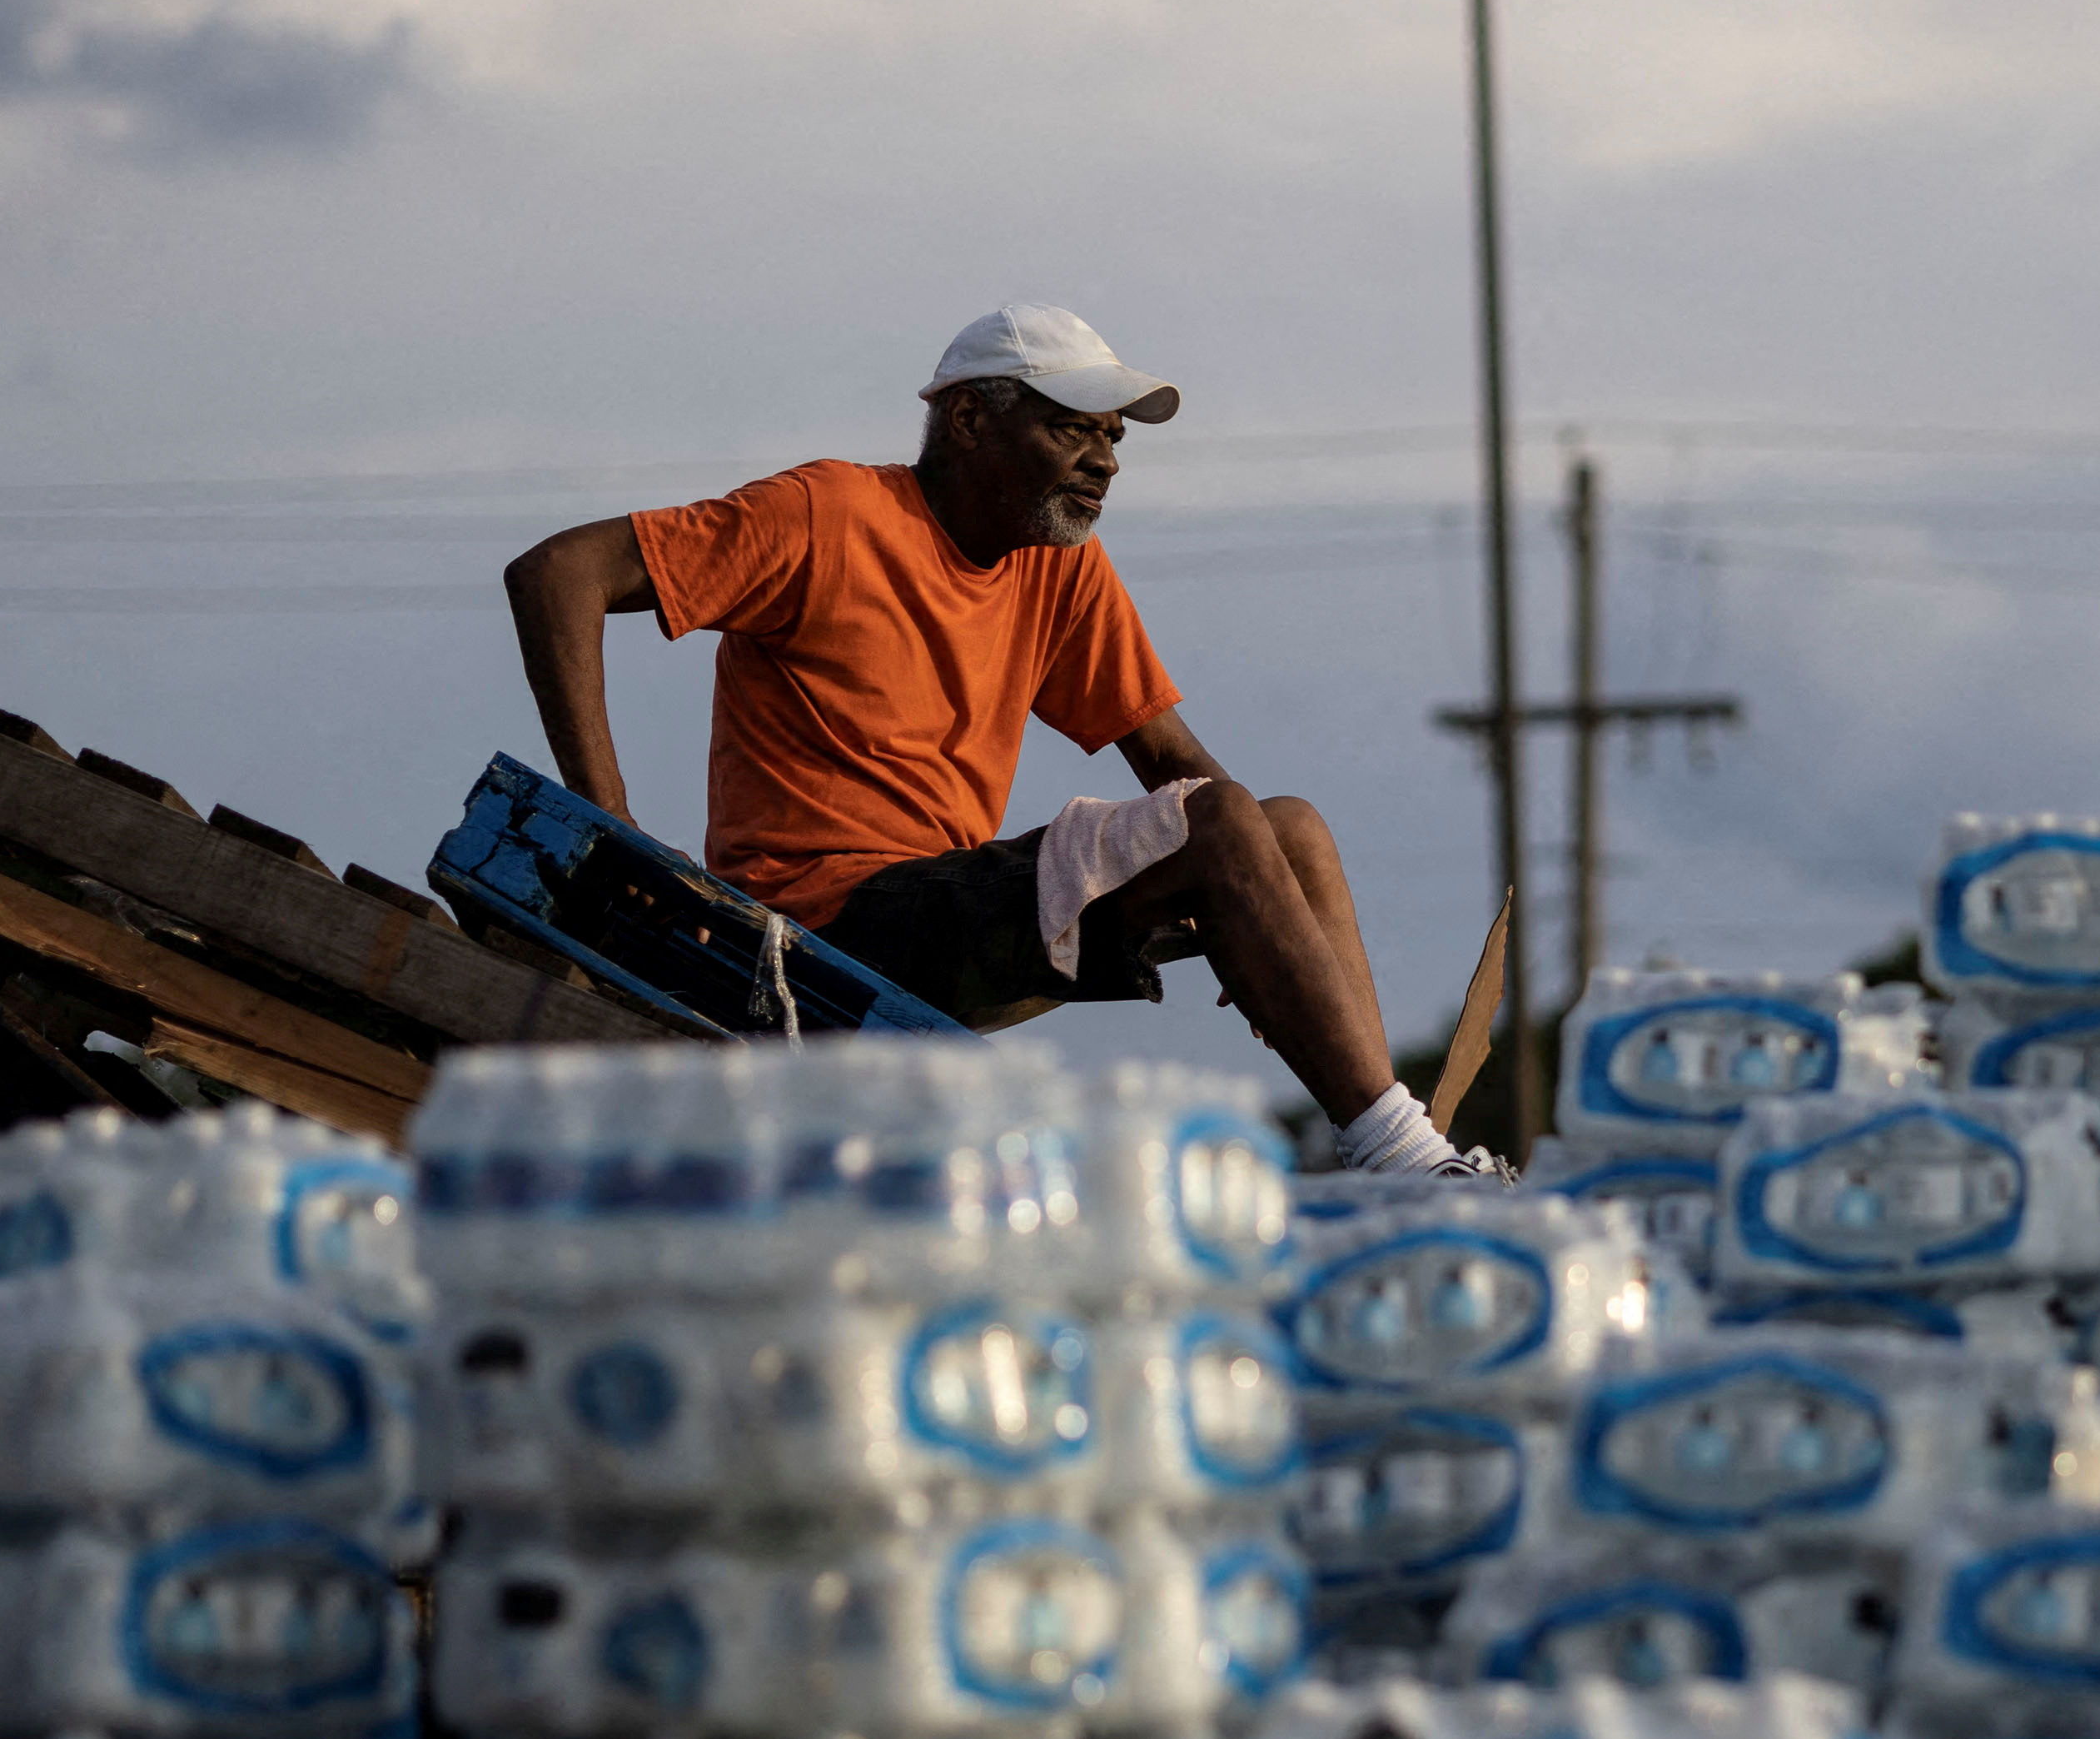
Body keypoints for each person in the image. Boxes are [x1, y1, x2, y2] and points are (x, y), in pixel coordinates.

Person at [500, 299, 1492, 1178]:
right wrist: (609, 822)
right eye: (1072, 430)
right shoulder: (828, 514)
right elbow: (557, 573)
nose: (1103, 459)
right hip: (829, 921)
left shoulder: (1059, 567)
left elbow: (1174, 764)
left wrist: (1263, 914)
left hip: (950, 911)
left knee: (1290, 829)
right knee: (1228, 825)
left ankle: (1403, 1156)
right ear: (972, 419)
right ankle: (1400, 1153)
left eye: (1112, 438)